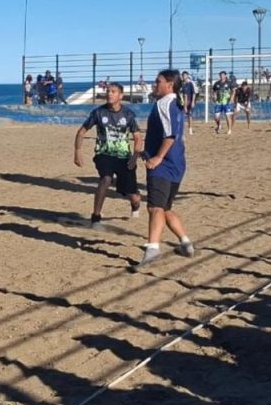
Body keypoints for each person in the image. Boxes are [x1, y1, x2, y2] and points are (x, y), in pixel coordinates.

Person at [138, 69, 193, 267]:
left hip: (164, 164)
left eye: (158, 81)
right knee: (166, 208)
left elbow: (170, 135)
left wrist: (157, 157)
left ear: (169, 84)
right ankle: (185, 242)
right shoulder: (177, 103)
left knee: (155, 207)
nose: (154, 84)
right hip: (177, 163)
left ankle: (152, 249)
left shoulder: (165, 103)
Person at [73, 83, 143, 230]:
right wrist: (77, 152)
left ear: (121, 96)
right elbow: (81, 132)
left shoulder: (128, 114)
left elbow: (137, 137)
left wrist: (134, 157)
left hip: (124, 157)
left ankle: (135, 204)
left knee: (132, 195)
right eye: (108, 91)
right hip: (104, 154)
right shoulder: (98, 113)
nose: (109, 94)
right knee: (106, 179)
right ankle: (96, 217)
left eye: (113, 91)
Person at [211, 71, 235, 135]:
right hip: (219, 102)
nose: (222, 76)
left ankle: (229, 130)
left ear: (225, 76)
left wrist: (232, 98)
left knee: (227, 116)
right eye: (220, 75)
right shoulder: (216, 83)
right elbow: (214, 91)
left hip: (227, 102)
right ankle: (219, 125)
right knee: (216, 117)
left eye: (223, 75)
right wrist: (214, 96)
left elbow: (233, 91)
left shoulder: (229, 83)